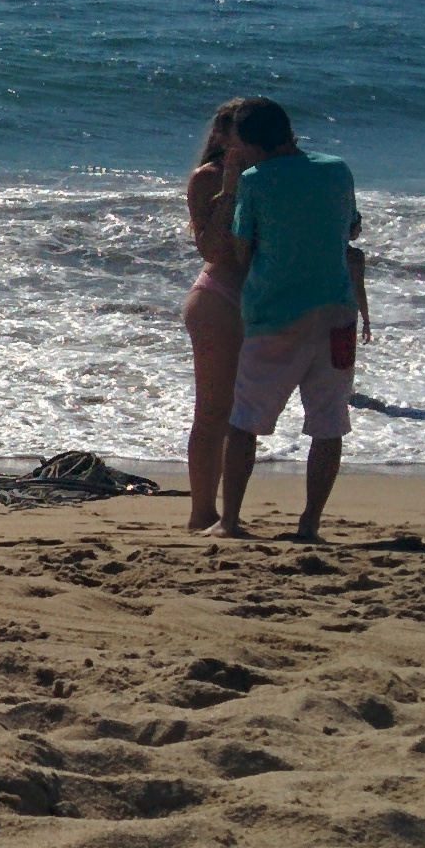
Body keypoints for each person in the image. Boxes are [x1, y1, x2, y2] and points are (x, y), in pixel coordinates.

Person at [214, 97, 366, 541]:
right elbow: (351, 228)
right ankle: (309, 524)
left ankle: (230, 521)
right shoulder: (337, 168)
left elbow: (242, 250)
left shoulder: (256, 181)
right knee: (328, 422)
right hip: (338, 310)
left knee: (245, 421)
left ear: (248, 141)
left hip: (276, 312)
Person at [181, 99, 263, 531]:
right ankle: (202, 512)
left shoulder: (272, 176)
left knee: (246, 414)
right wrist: (231, 188)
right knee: (213, 411)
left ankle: (230, 513)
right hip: (220, 296)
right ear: (221, 139)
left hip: (268, 299)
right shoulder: (207, 180)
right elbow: (213, 249)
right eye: (240, 136)